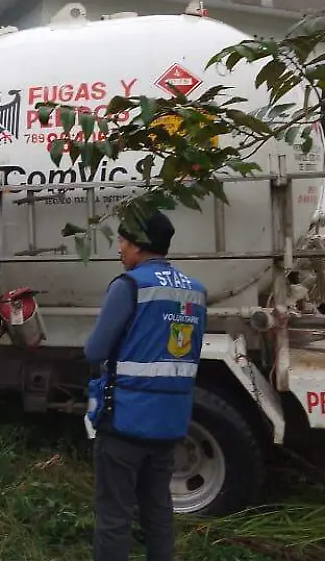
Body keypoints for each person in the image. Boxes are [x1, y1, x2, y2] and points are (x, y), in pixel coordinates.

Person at [83, 210, 208, 561]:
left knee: (114, 515)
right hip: (169, 422)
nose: (120, 248)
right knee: (157, 510)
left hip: (125, 420)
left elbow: (94, 349)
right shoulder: (196, 292)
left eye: (123, 241)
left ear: (138, 245)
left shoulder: (130, 286)